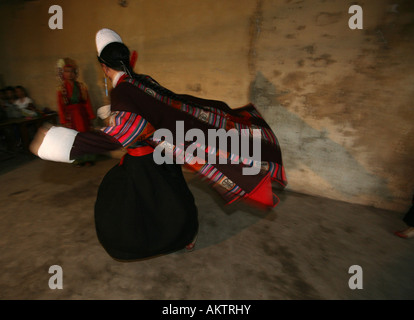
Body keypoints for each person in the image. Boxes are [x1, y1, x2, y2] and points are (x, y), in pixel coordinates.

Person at [30, 28, 287, 261]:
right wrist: (114, 112)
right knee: (175, 196)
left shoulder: (123, 91)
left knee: (138, 201)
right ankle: (188, 235)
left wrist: (63, 143)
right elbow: (164, 105)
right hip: (165, 155)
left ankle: (167, 239)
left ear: (105, 68)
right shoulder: (141, 81)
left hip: (145, 159)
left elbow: (125, 132)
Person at [56, 58, 96, 166]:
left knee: (86, 136)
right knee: (74, 138)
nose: (69, 74)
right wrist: (63, 120)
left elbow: (87, 102)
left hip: (82, 116)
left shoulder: (82, 87)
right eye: (67, 72)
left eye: (71, 72)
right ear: (63, 73)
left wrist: (91, 116)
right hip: (71, 117)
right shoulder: (61, 89)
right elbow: (61, 106)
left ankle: (89, 158)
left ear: (75, 73)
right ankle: (79, 160)